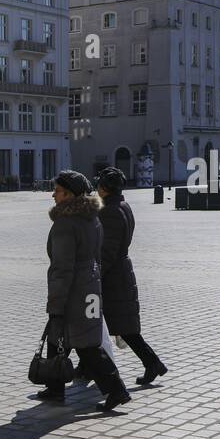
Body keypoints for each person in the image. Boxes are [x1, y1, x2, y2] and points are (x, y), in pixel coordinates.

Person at [37, 171, 131, 411]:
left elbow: (62, 267)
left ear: (69, 194)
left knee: (83, 344)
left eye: (57, 190)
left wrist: (56, 302)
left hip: (72, 292)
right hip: (90, 285)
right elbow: (96, 256)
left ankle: (116, 390)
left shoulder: (65, 223)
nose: (53, 194)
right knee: (66, 339)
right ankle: (55, 387)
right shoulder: (92, 217)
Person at [95, 167, 168, 386]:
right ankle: (152, 363)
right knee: (113, 325)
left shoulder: (110, 211)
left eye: (99, 185)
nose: (96, 188)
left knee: (118, 327)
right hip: (120, 271)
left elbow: (107, 250)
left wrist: (96, 273)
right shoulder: (122, 206)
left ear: (105, 189)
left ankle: (152, 363)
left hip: (114, 276)